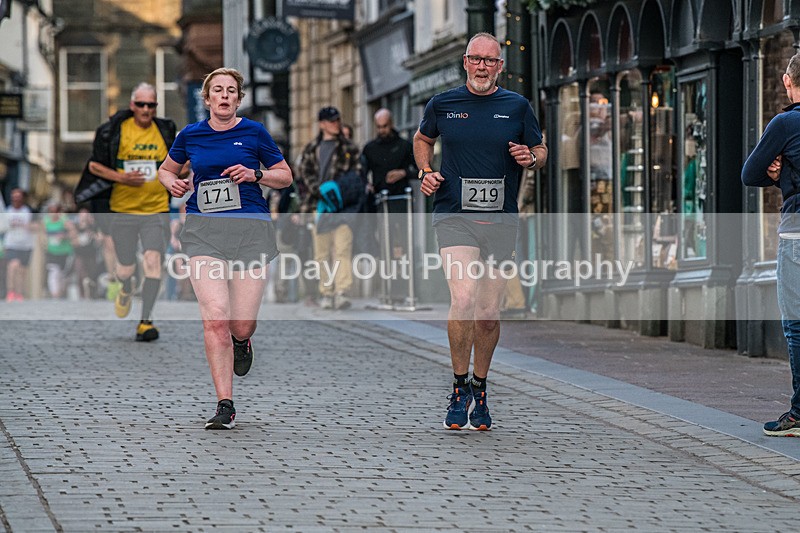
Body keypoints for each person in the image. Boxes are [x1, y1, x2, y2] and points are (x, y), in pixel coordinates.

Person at [413, 32, 547, 430]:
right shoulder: (444, 103)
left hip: (501, 219)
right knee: (465, 296)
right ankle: (458, 388)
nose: (483, 67)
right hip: (454, 214)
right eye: (476, 59)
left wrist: (531, 158)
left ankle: (480, 387)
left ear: (500, 67)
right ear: (466, 62)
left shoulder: (517, 106)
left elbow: (539, 150)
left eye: (491, 61)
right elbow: (423, 139)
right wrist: (426, 171)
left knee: (488, 313)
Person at [158, 67, 292, 430]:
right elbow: (165, 170)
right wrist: (175, 183)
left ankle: (242, 341)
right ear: (207, 98)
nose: (224, 96)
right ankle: (225, 403)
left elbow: (285, 174)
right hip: (204, 231)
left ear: (238, 98)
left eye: (231, 90)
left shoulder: (254, 132)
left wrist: (255, 174)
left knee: (241, 323)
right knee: (215, 316)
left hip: (251, 231)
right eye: (217, 90)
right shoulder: (191, 135)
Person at [83, 82, 178, 341]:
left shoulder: (165, 130)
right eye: (141, 104)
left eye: (151, 105)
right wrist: (121, 177)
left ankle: (145, 321)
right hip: (122, 210)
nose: (146, 110)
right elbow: (94, 166)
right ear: (132, 105)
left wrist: (186, 171)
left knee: (152, 262)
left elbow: (179, 163)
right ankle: (125, 286)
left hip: (156, 209)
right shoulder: (114, 131)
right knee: (125, 268)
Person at [742, 51, 800, 437]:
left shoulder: (786, 123)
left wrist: (776, 174)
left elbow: (749, 173)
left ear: (786, 80)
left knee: (796, 325)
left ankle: (798, 414)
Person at [297, 106, 361, 310]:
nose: (336, 124)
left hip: (343, 208)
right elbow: (305, 174)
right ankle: (326, 292)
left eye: (338, 120)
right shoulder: (311, 148)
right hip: (319, 207)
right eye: (332, 121)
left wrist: (340, 193)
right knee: (321, 253)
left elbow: (356, 175)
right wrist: (319, 190)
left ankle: (342, 292)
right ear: (322, 124)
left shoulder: (349, 148)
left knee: (343, 248)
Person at [360, 108, 417, 299]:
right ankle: (388, 289)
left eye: (384, 126)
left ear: (391, 124)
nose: (382, 130)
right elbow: (361, 173)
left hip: (402, 202)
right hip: (381, 203)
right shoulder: (370, 148)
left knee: (403, 246)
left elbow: (418, 168)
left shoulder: (404, 145)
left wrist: (403, 173)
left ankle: (405, 288)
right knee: (385, 245)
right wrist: (368, 185)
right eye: (378, 127)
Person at [3, 188, 35, 302]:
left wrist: (30, 226)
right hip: (11, 244)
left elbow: (35, 226)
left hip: (26, 244)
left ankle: (19, 293)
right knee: (13, 266)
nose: (16, 199)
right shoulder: (7, 211)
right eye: (14, 197)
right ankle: (10, 291)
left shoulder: (28, 211)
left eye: (18, 197)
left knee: (22, 271)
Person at [43, 202, 76, 298]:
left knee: (63, 276)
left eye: (55, 211)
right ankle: (55, 295)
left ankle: (61, 294)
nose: (53, 213)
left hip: (65, 252)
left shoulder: (64, 221)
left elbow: (73, 234)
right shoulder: (46, 221)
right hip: (52, 252)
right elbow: (44, 235)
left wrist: (64, 236)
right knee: (53, 273)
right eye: (50, 211)